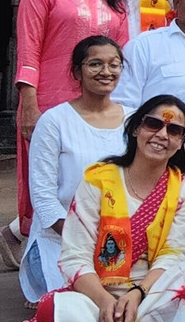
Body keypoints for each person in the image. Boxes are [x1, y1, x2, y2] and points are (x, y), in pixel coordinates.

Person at [17, 96, 185, 322]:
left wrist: (136, 296)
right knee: (49, 310)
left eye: (174, 131)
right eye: (153, 124)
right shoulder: (98, 179)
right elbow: (75, 256)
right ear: (136, 128)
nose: (162, 135)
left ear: (181, 141)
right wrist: (106, 303)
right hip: (97, 292)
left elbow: (174, 255)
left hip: (153, 292)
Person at [1, 0, 129, 266]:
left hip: (99, 102)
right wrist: (29, 102)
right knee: (44, 183)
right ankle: (40, 263)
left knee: (90, 175)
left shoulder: (115, 0)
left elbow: (119, 56)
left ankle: (90, 258)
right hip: (49, 97)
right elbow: (28, 47)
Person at [20, 36, 132, 304]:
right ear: (76, 72)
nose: (106, 72)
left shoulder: (134, 120)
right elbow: (44, 200)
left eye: (114, 64)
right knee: (82, 307)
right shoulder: (54, 122)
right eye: (95, 64)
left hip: (123, 243)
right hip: (60, 244)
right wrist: (88, 237)